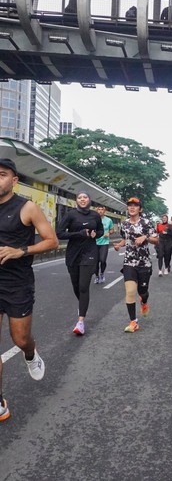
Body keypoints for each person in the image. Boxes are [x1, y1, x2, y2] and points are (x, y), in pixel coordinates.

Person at [0, 159, 58, 421]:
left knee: (20, 339)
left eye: (2, 174)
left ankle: (31, 354)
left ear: (14, 181)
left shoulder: (27, 207)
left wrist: (20, 251)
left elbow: (52, 241)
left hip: (17, 284)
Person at [57, 191, 104, 335]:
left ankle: (80, 322)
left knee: (84, 286)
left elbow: (101, 231)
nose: (82, 199)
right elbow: (59, 233)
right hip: (73, 254)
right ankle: (83, 305)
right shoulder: (70, 215)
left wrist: (96, 234)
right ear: (76, 200)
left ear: (90, 200)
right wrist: (79, 233)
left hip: (90, 253)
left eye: (85, 197)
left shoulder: (95, 215)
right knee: (76, 286)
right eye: (80, 197)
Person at [113, 197, 158, 333]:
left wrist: (146, 237)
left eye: (135, 205)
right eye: (130, 205)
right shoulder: (125, 224)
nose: (132, 207)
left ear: (140, 209)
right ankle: (133, 321)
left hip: (144, 263)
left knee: (143, 292)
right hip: (129, 262)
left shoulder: (146, 223)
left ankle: (144, 302)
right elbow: (125, 239)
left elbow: (156, 240)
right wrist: (119, 245)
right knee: (130, 291)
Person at [94, 205, 114, 284]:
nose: (100, 211)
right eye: (99, 209)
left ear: (104, 211)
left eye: (102, 209)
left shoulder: (108, 220)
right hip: (94, 243)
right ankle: (96, 276)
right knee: (95, 262)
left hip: (104, 242)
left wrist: (109, 233)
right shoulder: (93, 219)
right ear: (96, 210)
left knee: (102, 260)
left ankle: (102, 273)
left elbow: (112, 230)